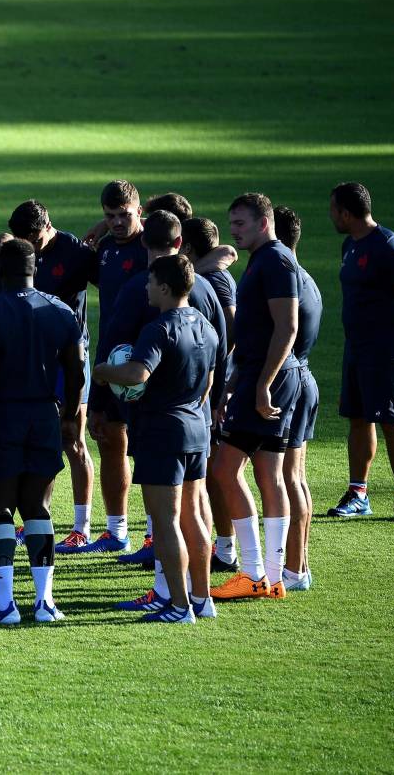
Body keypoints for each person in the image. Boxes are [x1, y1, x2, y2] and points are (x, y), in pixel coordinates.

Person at [95, 210, 227, 580]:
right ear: (180, 242)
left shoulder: (150, 307)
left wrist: (102, 381)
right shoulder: (205, 296)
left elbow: (122, 357)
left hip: (159, 424)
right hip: (197, 422)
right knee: (196, 512)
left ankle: (170, 596)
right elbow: (220, 357)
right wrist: (211, 404)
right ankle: (200, 597)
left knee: (165, 523)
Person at [0, 239, 82, 625]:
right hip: (43, 417)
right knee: (38, 508)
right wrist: (68, 417)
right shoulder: (62, 312)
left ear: (0, 269)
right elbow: (77, 371)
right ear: (35, 269)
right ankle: (45, 603)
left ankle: (5, 606)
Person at [210, 193, 301, 601]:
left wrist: (263, 382)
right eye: (232, 224)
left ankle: (254, 573)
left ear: (264, 223)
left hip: (267, 380)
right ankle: (274, 576)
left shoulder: (276, 261)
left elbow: (288, 327)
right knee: (269, 474)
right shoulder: (266, 260)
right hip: (257, 376)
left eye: (241, 224)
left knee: (225, 469)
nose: (234, 231)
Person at [327, 182, 394, 523]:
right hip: (357, 347)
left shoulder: (387, 245)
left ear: (346, 212)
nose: (331, 216)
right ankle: (358, 493)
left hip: (386, 350)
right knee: (357, 417)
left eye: (333, 210)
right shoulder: (349, 245)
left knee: (390, 420)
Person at [8, 200, 99, 551]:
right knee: (27, 438)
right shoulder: (17, 250)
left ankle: (82, 527)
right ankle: (29, 517)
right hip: (32, 360)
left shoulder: (76, 252)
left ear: (47, 226)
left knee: (73, 440)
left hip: (70, 359)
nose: (28, 247)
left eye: (33, 238)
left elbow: (120, 281)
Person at [77, 180, 149, 554]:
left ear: (139, 211)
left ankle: (154, 534)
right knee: (108, 438)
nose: (118, 222)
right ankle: (116, 530)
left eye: (125, 214)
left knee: (151, 449)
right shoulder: (104, 250)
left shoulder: (152, 246)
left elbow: (181, 216)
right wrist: (103, 229)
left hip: (146, 363)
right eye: (110, 216)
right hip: (109, 359)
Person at [181, 216, 239, 571]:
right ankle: (221, 547)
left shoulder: (213, 280)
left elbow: (230, 331)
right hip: (215, 387)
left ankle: (226, 549)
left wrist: (218, 382)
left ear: (186, 247)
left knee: (214, 472)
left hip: (214, 390)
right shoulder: (210, 272)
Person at [275, 206, 322, 591]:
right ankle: (299, 566)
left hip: (288, 379)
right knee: (296, 477)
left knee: (287, 478)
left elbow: (284, 333)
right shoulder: (306, 278)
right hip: (304, 377)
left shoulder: (286, 279)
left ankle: (293, 569)